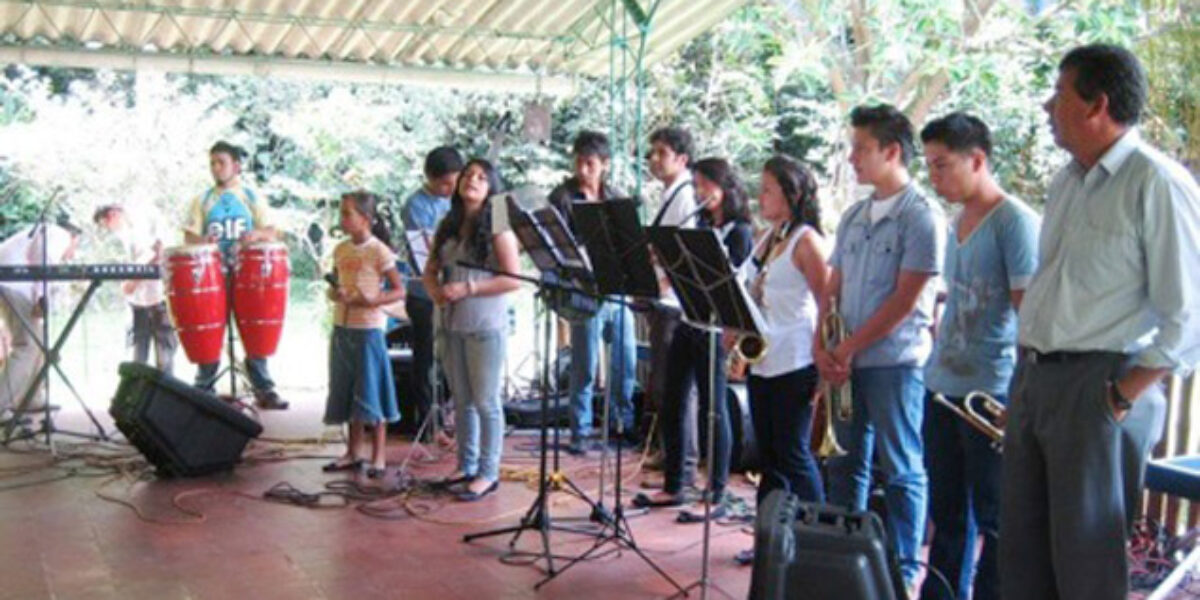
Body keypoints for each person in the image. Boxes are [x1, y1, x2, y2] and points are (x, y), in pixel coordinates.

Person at [1001, 44, 1198, 600]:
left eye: (1059, 94)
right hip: (1037, 377)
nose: (1047, 106)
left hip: (1100, 383)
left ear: (1097, 104)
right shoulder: (1068, 181)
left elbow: (1189, 312)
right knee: (1023, 555)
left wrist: (1120, 396)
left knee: (1085, 563)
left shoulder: (1155, 182)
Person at [815, 104, 946, 587]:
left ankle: (905, 572)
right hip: (845, 361)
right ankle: (843, 561)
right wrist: (821, 344)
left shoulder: (922, 217)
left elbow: (906, 300)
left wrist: (846, 347)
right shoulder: (854, 215)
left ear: (892, 152)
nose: (852, 158)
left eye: (861, 149)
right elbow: (834, 284)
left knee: (901, 467)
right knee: (845, 463)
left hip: (894, 364)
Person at [918, 113, 1040, 600]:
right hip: (942, 385)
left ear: (978, 160)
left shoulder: (1015, 223)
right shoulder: (954, 222)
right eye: (929, 165)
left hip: (990, 392)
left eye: (942, 165)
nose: (935, 176)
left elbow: (1028, 320)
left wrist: (1019, 397)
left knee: (995, 518)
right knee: (947, 514)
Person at [636, 157, 752, 516]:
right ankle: (675, 484)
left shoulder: (740, 231)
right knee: (672, 400)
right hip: (688, 318)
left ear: (725, 187)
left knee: (712, 408)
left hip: (716, 327)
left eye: (706, 186)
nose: (700, 193)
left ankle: (715, 490)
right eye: (697, 185)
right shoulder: (699, 222)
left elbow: (732, 280)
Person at [735, 156, 831, 564]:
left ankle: (815, 541)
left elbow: (828, 301)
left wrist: (825, 360)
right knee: (770, 457)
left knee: (792, 453)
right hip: (764, 360)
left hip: (795, 360)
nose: (760, 196)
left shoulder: (806, 240)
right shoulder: (767, 237)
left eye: (768, 189)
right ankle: (770, 541)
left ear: (791, 195)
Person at [423, 159, 520, 502]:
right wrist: (435, 290)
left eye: (482, 177)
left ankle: (488, 472)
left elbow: (514, 279)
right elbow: (430, 270)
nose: (473, 181)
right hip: (451, 324)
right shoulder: (447, 224)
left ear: (492, 187)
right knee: (462, 401)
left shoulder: (499, 225)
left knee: (486, 401)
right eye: (468, 175)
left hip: (485, 324)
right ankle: (465, 465)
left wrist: (468, 289)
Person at [547, 130, 637, 455]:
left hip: (617, 289)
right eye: (579, 163)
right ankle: (580, 431)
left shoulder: (616, 196)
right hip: (583, 290)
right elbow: (554, 244)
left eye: (590, 163)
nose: (583, 170)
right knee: (584, 365)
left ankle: (621, 425)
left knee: (624, 362)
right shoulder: (563, 197)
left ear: (604, 165)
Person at [182, 140, 287, 409]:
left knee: (254, 328)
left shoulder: (251, 197)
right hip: (212, 275)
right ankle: (204, 386)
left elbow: (272, 231)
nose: (216, 168)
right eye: (212, 163)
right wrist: (202, 239)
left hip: (248, 276)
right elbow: (189, 235)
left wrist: (257, 235)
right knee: (210, 328)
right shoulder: (202, 200)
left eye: (222, 162)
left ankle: (263, 387)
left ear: (236, 166)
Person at [323, 192, 405, 479]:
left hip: (368, 328)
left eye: (348, 214)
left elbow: (398, 290)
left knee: (372, 389)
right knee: (347, 390)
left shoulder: (379, 251)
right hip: (342, 327)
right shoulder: (341, 249)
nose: (342, 219)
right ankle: (353, 450)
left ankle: (379, 454)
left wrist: (373, 299)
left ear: (366, 219)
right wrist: (335, 293)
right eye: (341, 213)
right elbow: (336, 284)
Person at [644, 126, 701, 483]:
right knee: (663, 384)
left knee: (678, 389)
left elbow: (683, 252)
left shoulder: (685, 197)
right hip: (661, 298)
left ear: (682, 159)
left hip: (675, 303)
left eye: (661, 153)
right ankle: (670, 453)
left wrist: (661, 281)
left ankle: (684, 463)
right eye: (652, 152)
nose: (654, 159)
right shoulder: (669, 194)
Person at [401, 146, 463, 442]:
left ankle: (449, 412)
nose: (450, 189)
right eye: (444, 184)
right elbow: (425, 250)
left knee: (453, 356)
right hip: (424, 292)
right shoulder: (416, 205)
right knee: (425, 357)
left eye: (455, 183)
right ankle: (427, 423)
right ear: (429, 178)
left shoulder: (461, 200)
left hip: (455, 289)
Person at [0, 221, 80, 422]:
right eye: (75, 248)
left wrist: (40, 297)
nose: (72, 254)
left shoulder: (40, 233)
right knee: (26, 345)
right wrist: (42, 297)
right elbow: (43, 262)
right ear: (74, 239)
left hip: (12, 285)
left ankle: (31, 398)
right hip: (12, 285)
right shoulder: (58, 233)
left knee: (39, 343)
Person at [93, 205, 178, 376]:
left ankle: (164, 393)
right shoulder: (125, 235)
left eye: (105, 224)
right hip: (139, 302)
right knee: (139, 355)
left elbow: (155, 254)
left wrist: (133, 281)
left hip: (157, 298)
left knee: (163, 356)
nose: (108, 229)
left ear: (112, 216)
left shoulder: (139, 227)